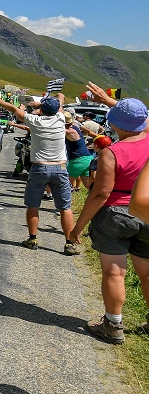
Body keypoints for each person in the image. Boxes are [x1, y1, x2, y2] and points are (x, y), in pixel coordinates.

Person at [68, 98, 149, 343]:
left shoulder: (111, 153)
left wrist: (77, 227)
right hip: (146, 210)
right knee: (147, 272)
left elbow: (100, 194)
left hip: (116, 213)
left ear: (114, 124)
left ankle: (113, 325)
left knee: (114, 272)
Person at [0, 91, 78, 255]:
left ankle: (32, 239)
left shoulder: (35, 121)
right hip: (60, 167)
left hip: (40, 167)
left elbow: (14, 109)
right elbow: (60, 98)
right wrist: (48, 101)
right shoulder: (60, 119)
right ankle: (69, 243)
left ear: (41, 110)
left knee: (33, 205)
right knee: (65, 207)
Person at [64, 111, 93, 191]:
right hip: (87, 158)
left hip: (78, 160)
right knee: (89, 186)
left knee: (63, 184)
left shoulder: (69, 131)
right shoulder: (75, 126)